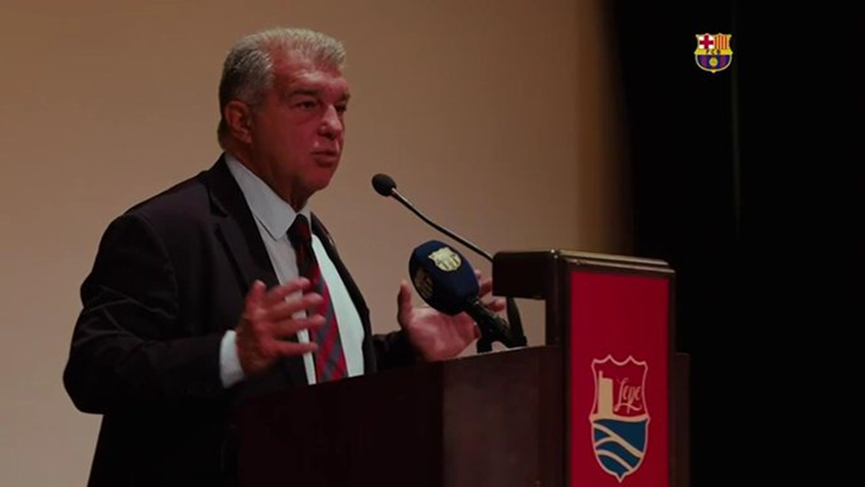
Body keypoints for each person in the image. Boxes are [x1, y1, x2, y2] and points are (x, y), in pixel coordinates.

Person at [63, 27, 501, 487]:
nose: (333, 126)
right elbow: (94, 369)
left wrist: (407, 351)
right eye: (307, 104)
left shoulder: (309, 235)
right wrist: (232, 353)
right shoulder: (162, 230)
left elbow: (307, 374)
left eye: (340, 107)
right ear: (242, 121)